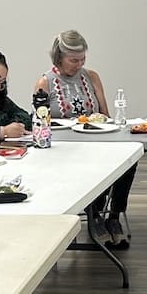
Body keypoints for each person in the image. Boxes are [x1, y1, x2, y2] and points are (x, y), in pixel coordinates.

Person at [35, 30, 138, 248]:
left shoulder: (91, 77)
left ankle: (114, 215)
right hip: (66, 148)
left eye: (82, 59)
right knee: (91, 165)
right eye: (73, 60)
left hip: (95, 140)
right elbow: (41, 123)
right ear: (59, 57)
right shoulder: (45, 83)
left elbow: (106, 115)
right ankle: (96, 216)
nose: (78, 64)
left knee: (130, 160)